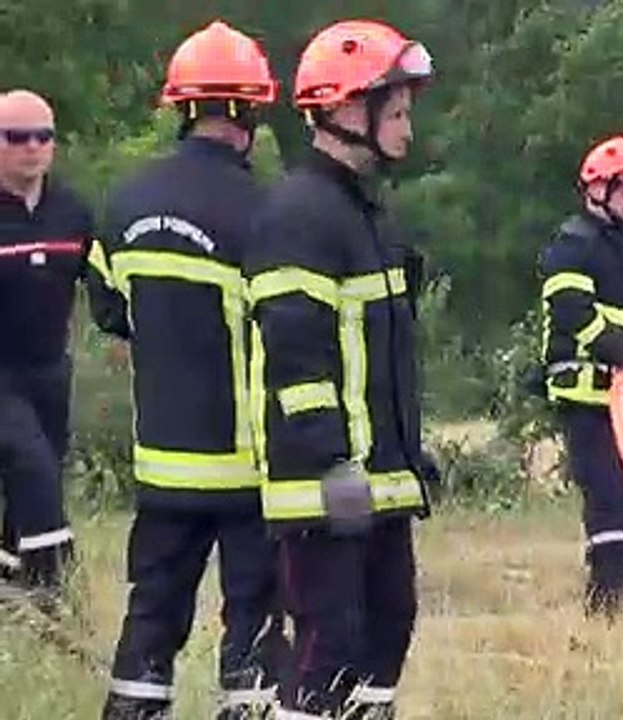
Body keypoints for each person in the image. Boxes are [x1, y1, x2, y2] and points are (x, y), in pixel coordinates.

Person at [88, 21, 290, 720]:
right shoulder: (265, 212)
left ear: (182, 106)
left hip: (162, 463)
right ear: (248, 110)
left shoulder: (124, 204)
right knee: (256, 622)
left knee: (151, 618)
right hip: (247, 469)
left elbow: (110, 311)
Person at [241, 19, 436, 719]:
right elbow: (297, 352)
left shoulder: (367, 215)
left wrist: (410, 454)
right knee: (329, 645)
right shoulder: (299, 213)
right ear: (350, 108)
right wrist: (330, 461)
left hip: (377, 478)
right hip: (324, 486)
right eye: (400, 110)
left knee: (390, 627)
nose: (409, 128)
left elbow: (381, 357)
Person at [535, 135, 623, 621]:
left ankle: (618, 599)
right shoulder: (571, 246)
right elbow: (575, 315)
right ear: (596, 188)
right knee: (607, 499)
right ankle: (606, 603)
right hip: (585, 399)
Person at [0, 88, 91, 605]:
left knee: (40, 475)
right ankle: (54, 588)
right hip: (0, 372)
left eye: (43, 136)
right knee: (32, 465)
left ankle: (15, 586)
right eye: (16, 137)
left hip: (50, 369)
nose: (32, 147)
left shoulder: (71, 211)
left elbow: (102, 283)